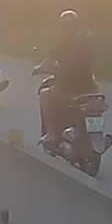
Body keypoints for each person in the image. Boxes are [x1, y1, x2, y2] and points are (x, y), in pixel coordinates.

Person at [38, 9, 98, 144]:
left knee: (45, 95)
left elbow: (48, 62)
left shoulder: (60, 41)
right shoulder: (88, 39)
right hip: (90, 87)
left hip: (67, 87)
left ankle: (52, 133)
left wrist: (39, 68)